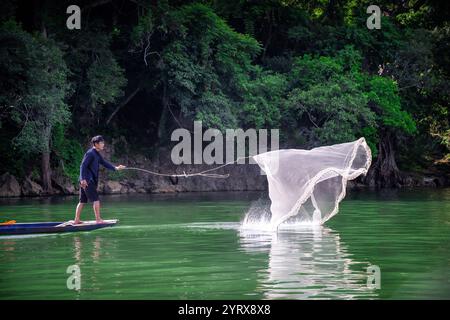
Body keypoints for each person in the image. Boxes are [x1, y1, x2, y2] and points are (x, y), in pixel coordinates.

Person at [74, 135, 126, 224]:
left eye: (103, 142)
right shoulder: (90, 153)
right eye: (101, 143)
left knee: (82, 201)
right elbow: (83, 165)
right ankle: (98, 220)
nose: (103, 144)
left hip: (85, 180)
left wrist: (116, 168)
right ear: (96, 144)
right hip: (87, 180)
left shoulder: (97, 154)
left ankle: (77, 220)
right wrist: (83, 179)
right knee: (96, 200)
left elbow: (104, 163)